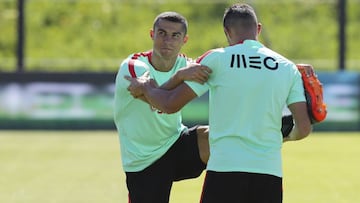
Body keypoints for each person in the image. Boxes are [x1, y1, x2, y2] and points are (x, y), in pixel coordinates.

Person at [126, 3, 312, 203]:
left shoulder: (217, 59)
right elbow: (303, 127)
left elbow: (169, 104)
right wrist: (285, 136)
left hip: (224, 169)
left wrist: (147, 88)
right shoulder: (287, 68)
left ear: (226, 31)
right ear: (258, 29)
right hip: (269, 173)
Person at [113, 11, 211, 203]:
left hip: (175, 142)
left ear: (185, 40)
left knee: (220, 139)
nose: (168, 40)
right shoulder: (133, 66)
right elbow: (161, 100)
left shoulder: (188, 65)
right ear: (152, 34)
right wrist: (180, 76)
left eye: (175, 36)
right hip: (144, 160)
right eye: (162, 33)